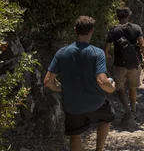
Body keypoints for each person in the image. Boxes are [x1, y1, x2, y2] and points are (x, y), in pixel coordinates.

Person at [44, 16, 116, 151]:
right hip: (95, 102)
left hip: (72, 105)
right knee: (107, 117)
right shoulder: (97, 53)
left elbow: (48, 81)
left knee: (75, 134)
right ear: (92, 31)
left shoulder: (62, 52)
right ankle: (99, 149)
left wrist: (61, 88)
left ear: (75, 30)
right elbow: (102, 81)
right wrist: (111, 88)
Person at [104, 7, 144, 125]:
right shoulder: (136, 28)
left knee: (119, 88)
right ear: (129, 15)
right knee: (132, 87)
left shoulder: (113, 30)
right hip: (134, 64)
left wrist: (107, 57)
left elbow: (106, 49)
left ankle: (128, 111)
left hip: (119, 65)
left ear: (117, 17)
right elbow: (143, 46)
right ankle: (134, 109)